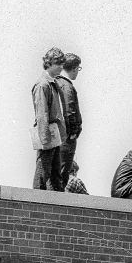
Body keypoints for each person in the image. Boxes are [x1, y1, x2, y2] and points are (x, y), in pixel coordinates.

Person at [31, 48, 68, 190]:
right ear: (49, 63)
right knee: (43, 172)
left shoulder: (52, 83)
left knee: (54, 174)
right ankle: (35, 202)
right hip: (48, 133)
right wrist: (44, 137)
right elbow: (42, 114)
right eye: (58, 63)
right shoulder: (43, 84)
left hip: (54, 133)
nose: (61, 67)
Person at [57, 52, 83, 187]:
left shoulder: (57, 82)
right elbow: (69, 110)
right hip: (67, 137)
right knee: (62, 174)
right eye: (78, 69)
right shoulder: (67, 85)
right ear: (74, 68)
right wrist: (73, 132)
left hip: (59, 135)